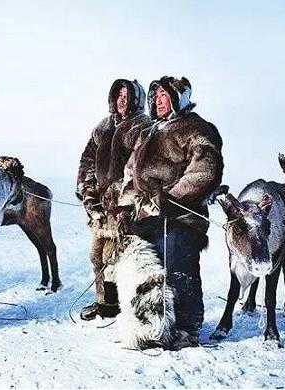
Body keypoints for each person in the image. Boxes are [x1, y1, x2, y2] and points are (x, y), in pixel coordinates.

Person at [119, 76, 224, 347]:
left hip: (180, 216)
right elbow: (132, 172)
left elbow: (206, 168)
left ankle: (188, 328)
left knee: (179, 269)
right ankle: (155, 326)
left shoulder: (197, 128)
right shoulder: (149, 132)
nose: (159, 101)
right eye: (156, 96)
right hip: (146, 216)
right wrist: (125, 206)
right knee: (151, 274)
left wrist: (172, 198)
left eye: (165, 95)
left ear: (180, 98)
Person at [76, 79, 151, 321]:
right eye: (118, 93)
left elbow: (138, 166)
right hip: (100, 208)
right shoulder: (102, 127)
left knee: (120, 258)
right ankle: (105, 303)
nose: (122, 98)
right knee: (97, 255)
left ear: (136, 98)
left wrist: (121, 196)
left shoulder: (142, 126)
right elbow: (87, 160)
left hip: (127, 208)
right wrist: (88, 192)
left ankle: (125, 306)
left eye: (127, 94)